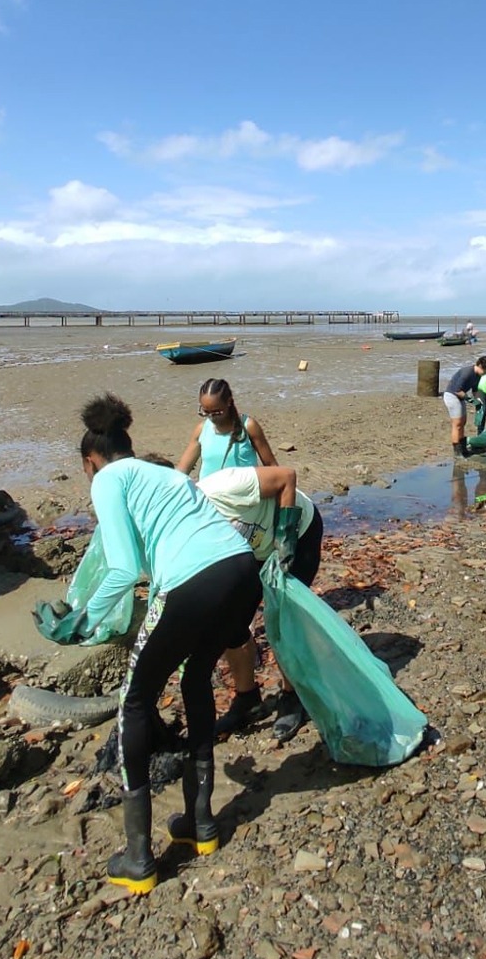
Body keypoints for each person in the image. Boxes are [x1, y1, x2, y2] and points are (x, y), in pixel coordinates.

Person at [66, 394, 261, 895]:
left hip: (194, 580)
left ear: (91, 460)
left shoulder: (109, 478)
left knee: (133, 703)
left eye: (87, 469)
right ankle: (202, 825)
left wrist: (82, 620)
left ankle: (139, 858)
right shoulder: (169, 476)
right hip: (241, 571)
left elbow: (124, 567)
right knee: (195, 680)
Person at [196, 464, 324, 743]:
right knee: (232, 623)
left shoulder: (222, 488)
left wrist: (285, 537)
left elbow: (287, 476)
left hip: (298, 534)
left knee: (282, 620)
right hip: (251, 551)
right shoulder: (182, 528)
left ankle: (293, 697)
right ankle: (247, 699)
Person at [175, 378, 277, 478]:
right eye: (206, 412)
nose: (211, 417)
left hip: (242, 492)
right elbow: (182, 471)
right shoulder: (202, 430)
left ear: (229, 402)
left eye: (217, 412)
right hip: (208, 492)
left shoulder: (248, 427)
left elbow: (271, 465)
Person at [443, 354, 486, 457]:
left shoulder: (477, 375)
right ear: (479, 365)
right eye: (484, 370)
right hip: (452, 396)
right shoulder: (467, 372)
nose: (485, 373)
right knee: (457, 424)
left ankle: (463, 448)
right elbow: (457, 390)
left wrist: (479, 402)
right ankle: (457, 451)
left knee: (463, 422)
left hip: (460, 398)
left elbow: (475, 389)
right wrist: (469, 399)